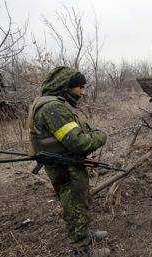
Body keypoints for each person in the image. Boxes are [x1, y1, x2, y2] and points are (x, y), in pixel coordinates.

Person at [27, 66, 110, 257]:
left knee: (77, 202)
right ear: (66, 87)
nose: (82, 92)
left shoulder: (50, 103)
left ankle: (84, 235)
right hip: (65, 168)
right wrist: (100, 136)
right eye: (79, 87)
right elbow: (79, 143)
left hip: (65, 164)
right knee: (75, 206)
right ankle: (81, 250)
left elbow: (69, 135)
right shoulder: (53, 107)